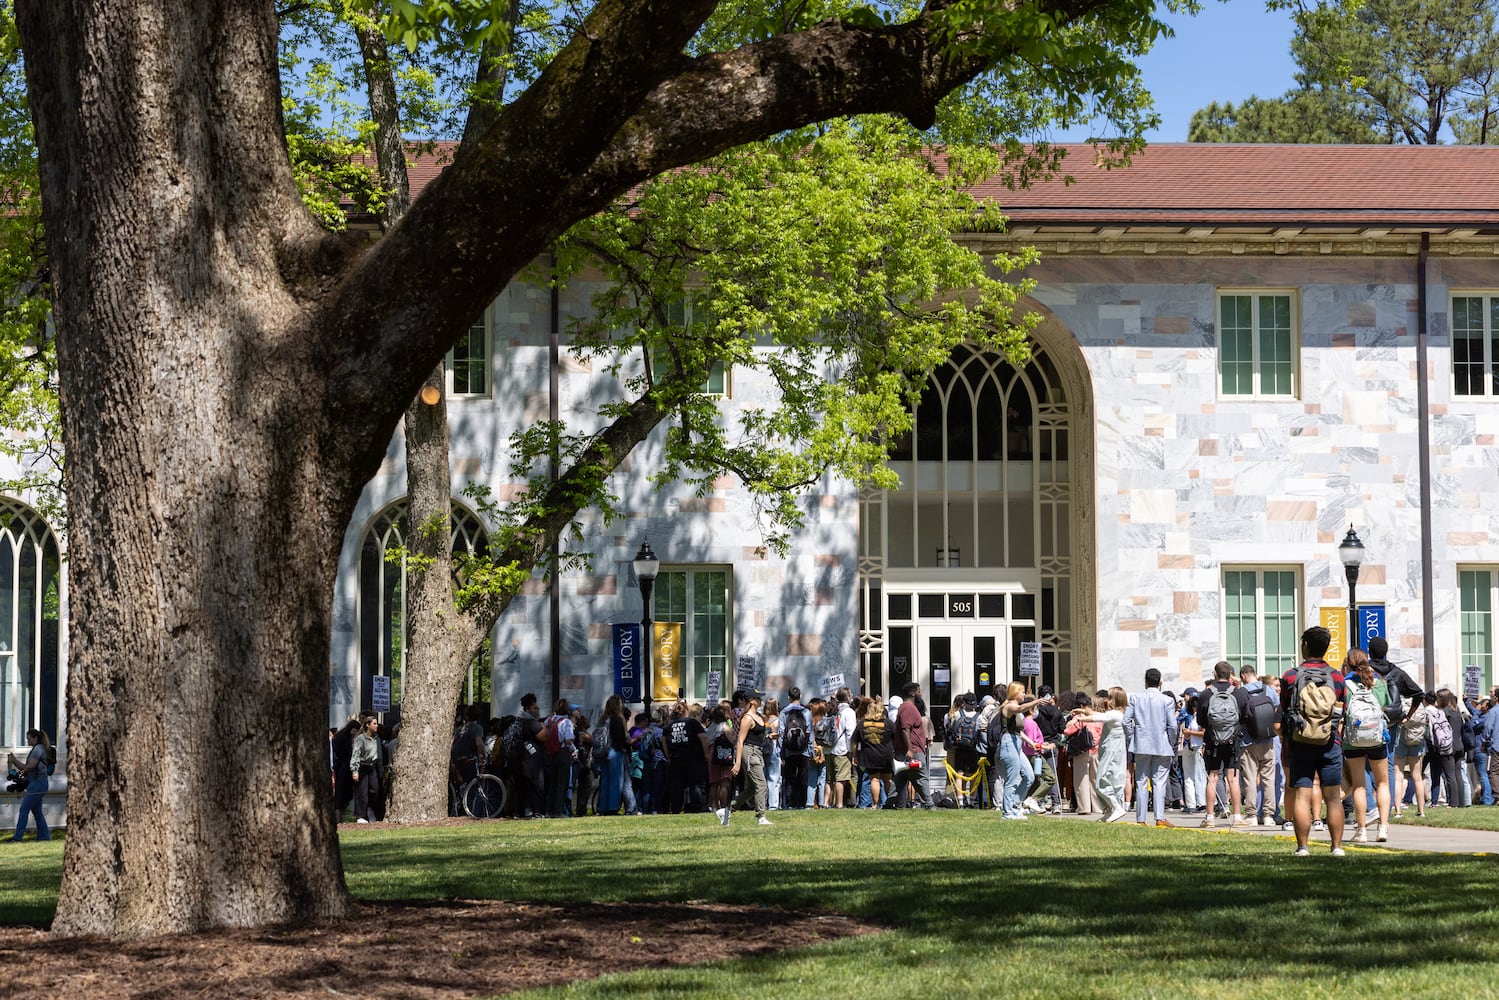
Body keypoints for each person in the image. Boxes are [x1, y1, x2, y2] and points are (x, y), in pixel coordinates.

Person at [1281, 625, 1348, 857]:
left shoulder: (1291, 676)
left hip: (1300, 742)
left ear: (1305, 645)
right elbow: (1342, 710)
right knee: (1333, 797)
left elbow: (1285, 709)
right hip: (1330, 742)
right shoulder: (1337, 676)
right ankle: (1336, 847)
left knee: (1302, 795)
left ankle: (1303, 847)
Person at [1341, 650, 1392, 842]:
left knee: (1359, 785)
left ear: (1348, 665)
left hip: (1353, 740)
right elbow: (1384, 707)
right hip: (1377, 738)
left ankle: (1361, 830)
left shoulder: (1345, 685)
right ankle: (1383, 828)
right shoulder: (1379, 684)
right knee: (1382, 782)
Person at [1124, 668, 1179, 827]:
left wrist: (1132, 738)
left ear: (1145, 681)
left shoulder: (1136, 698)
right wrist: (1171, 742)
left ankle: (1141, 819)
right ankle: (1159, 817)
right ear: (1160, 682)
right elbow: (1172, 726)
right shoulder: (1167, 700)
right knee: (1159, 782)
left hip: (1141, 744)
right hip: (1161, 744)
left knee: (1141, 781)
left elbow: (1125, 721)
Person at [1197, 660, 1250, 828]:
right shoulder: (1239, 694)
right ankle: (1237, 817)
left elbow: (1200, 720)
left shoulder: (1206, 694)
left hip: (1212, 741)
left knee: (1213, 777)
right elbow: (1246, 716)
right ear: (1230, 675)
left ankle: (1209, 817)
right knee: (1233, 779)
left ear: (1215, 674)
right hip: (1233, 741)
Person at [1071, 687, 1131, 823]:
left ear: (1115, 699)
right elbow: (1098, 714)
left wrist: (1080, 718)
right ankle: (1109, 810)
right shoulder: (1115, 713)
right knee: (1107, 779)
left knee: (1102, 781)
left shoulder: (1116, 714)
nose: (1105, 700)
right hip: (1109, 750)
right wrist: (1083, 711)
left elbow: (1097, 717)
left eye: (1109, 697)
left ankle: (1116, 807)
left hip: (1112, 751)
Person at [717, 692, 773, 826]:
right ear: (752, 701)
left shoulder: (758, 716)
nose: (761, 701)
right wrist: (737, 763)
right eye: (759, 698)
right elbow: (740, 741)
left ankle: (726, 811)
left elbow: (757, 736)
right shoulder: (747, 718)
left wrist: (769, 736)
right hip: (749, 753)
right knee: (761, 784)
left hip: (758, 752)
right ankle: (761, 816)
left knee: (752, 789)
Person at [995, 682, 1045, 819]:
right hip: (1008, 743)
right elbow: (1020, 708)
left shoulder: (1016, 710)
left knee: (1029, 776)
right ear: (1015, 693)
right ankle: (1007, 812)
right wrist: (1036, 701)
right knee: (1012, 779)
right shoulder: (1009, 706)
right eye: (1022, 692)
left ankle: (1014, 806)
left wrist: (1032, 743)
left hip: (1016, 742)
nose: (1024, 694)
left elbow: (1019, 731)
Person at [1238, 665, 1280, 826]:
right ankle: (1268, 815)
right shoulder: (1268, 689)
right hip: (1268, 740)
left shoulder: (1242, 693)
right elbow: (1276, 710)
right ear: (1254, 674)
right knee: (1268, 779)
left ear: (1243, 676)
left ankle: (1251, 815)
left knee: (1250, 779)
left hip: (1248, 741)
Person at [8, 728, 54, 841]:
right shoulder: (36, 749)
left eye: (29, 739)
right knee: (37, 812)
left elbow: (30, 767)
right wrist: (14, 762)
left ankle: (17, 838)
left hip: (37, 785)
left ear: (35, 738)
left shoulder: (38, 749)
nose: (27, 741)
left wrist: (15, 762)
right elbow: (26, 768)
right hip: (37, 785)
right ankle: (44, 836)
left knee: (24, 810)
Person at [893, 682, 932, 808]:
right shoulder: (908, 708)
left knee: (900, 780)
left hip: (906, 751)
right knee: (921, 778)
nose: (921, 694)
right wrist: (910, 749)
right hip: (913, 751)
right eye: (919, 691)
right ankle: (929, 804)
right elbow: (905, 729)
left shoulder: (906, 707)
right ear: (912, 693)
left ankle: (893, 804)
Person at [1064, 692, 1103, 815]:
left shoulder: (1080, 718)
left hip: (1082, 750)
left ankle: (1085, 807)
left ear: (1080, 706)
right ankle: (1098, 807)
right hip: (1096, 750)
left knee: (1081, 779)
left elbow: (1067, 731)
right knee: (1095, 780)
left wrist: (1073, 719)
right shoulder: (1098, 717)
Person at [1393, 693, 1431, 818]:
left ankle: (1398, 811)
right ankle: (1421, 811)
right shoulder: (1419, 703)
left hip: (1401, 738)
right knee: (1417, 777)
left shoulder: (1399, 701)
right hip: (1417, 739)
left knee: (1398, 776)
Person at [853, 696, 895, 808]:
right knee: (887, 779)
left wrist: (855, 755)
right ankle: (888, 803)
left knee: (874, 779)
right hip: (886, 755)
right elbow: (896, 738)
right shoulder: (888, 723)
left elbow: (854, 742)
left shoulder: (862, 724)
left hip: (870, 755)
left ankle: (875, 804)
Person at [596, 694, 632, 815]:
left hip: (603, 752)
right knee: (615, 781)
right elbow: (619, 738)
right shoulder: (617, 719)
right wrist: (627, 743)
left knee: (605, 780)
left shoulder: (603, 719)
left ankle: (603, 808)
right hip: (615, 751)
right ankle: (612, 807)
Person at [778, 688, 813, 809]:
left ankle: (789, 804)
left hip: (789, 750)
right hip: (803, 750)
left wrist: (780, 751)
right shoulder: (806, 712)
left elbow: (781, 733)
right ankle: (802, 804)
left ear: (789, 697)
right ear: (800, 696)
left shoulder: (784, 712)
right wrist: (811, 750)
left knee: (789, 778)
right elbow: (809, 732)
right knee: (803, 778)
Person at [541, 698, 576, 817]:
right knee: (562, 783)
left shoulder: (549, 720)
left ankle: (548, 811)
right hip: (563, 753)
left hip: (550, 754)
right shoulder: (566, 722)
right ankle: (558, 811)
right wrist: (573, 748)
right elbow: (569, 740)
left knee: (552, 783)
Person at [1178, 689, 1206, 815]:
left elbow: (1203, 733)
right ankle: (1191, 804)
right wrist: (1187, 734)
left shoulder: (1201, 717)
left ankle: (1201, 802)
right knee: (1189, 776)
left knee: (1199, 776)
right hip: (1190, 745)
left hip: (1199, 747)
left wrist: (1189, 732)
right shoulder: (1194, 717)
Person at [350, 713, 381, 823]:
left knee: (375, 790)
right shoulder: (360, 739)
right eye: (374, 724)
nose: (377, 726)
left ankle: (370, 809)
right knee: (362, 792)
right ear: (368, 725)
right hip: (362, 767)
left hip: (372, 767)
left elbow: (379, 755)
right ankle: (361, 816)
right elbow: (356, 755)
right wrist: (355, 770)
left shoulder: (376, 739)